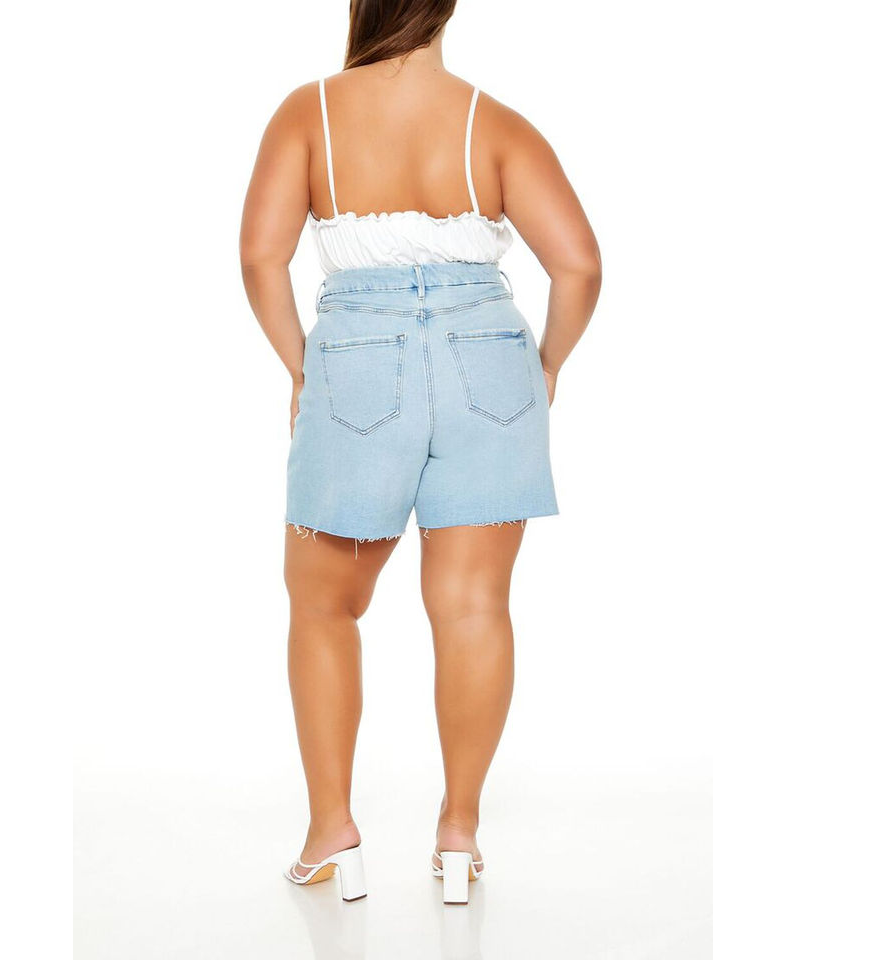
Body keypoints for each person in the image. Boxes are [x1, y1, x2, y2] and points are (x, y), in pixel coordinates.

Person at [239, 0, 601, 905]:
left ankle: (332, 832)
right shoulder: (495, 123)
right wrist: (546, 366)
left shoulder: (309, 113)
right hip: (490, 357)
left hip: (359, 357)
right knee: (473, 604)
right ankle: (459, 835)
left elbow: (258, 256)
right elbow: (580, 265)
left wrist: (300, 369)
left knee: (324, 603)